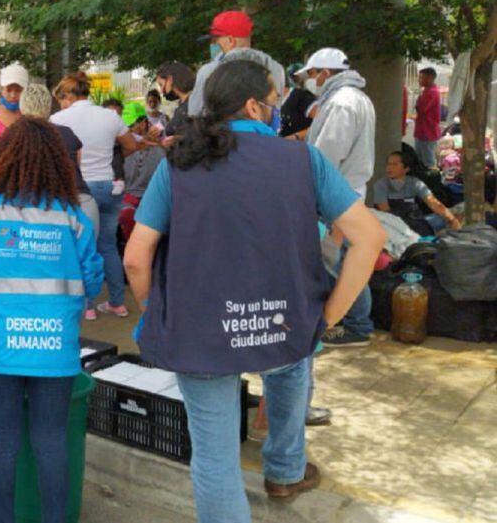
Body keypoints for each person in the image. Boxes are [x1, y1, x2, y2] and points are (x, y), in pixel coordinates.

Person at [123, 59, 385, 523]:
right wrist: (328, 316)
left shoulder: (179, 163)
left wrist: (155, 310)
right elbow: (369, 237)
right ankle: (284, 470)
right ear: (252, 106)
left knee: (216, 459)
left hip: (199, 330)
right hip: (284, 321)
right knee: (290, 370)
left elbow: (135, 258)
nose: (278, 108)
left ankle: (281, 471)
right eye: (274, 100)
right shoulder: (303, 160)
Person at [0, 117, 104, 523]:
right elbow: (92, 280)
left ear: (2, 157)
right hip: (54, 348)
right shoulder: (72, 217)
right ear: (57, 162)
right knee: (51, 441)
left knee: (3, 441)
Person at [299, 47, 377, 348]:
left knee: (340, 262)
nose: (310, 80)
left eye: (312, 74)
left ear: (325, 73)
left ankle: (358, 324)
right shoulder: (352, 98)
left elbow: (327, 155)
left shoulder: (343, 102)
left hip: (337, 193)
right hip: (345, 190)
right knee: (344, 260)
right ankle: (353, 320)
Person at [49, 72, 137, 321]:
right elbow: (130, 145)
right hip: (108, 186)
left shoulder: (57, 119)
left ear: (67, 96)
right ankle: (117, 303)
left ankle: (87, 306)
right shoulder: (110, 116)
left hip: (78, 188)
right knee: (108, 246)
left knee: (81, 247)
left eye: (61, 99)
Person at [18, 83, 97, 231]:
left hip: (50, 209)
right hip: (84, 203)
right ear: (49, 107)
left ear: (21, 108)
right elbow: (77, 164)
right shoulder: (67, 133)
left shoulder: (18, 137)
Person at [188, 10, 286, 118]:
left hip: (223, 128)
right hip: (264, 128)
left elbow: (194, 112)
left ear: (230, 40)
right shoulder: (276, 69)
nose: (214, 44)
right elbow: (276, 110)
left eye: (215, 40)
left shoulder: (210, 71)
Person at [374, 151, 461, 234]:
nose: (389, 167)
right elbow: (386, 212)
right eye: (388, 164)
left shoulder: (415, 183)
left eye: (394, 164)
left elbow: (433, 203)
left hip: (415, 222)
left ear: (406, 169)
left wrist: (452, 220)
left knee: (446, 217)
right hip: (393, 226)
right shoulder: (380, 185)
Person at [120, 116, 166, 242]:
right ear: (142, 124)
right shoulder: (162, 152)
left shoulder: (120, 151)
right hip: (153, 203)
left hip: (127, 201)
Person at [156, 62, 197, 139]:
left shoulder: (188, 106)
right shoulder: (191, 102)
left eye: (161, 84)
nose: (161, 91)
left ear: (170, 79)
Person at [413, 67, 442, 169]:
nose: (419, 80)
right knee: (420, 159)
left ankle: (430, 177)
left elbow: (421, 109)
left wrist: (418, 101)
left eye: (422, 78)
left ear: (430, 78)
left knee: (428, 162)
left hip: (427, 132)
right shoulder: (427, 91)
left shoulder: (431, 92)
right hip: (423, 131)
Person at [279, 63, 316, 140]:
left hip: (295, 145)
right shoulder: (267, 99)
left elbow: (322, 124)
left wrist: (296, 136)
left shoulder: (303, 96)